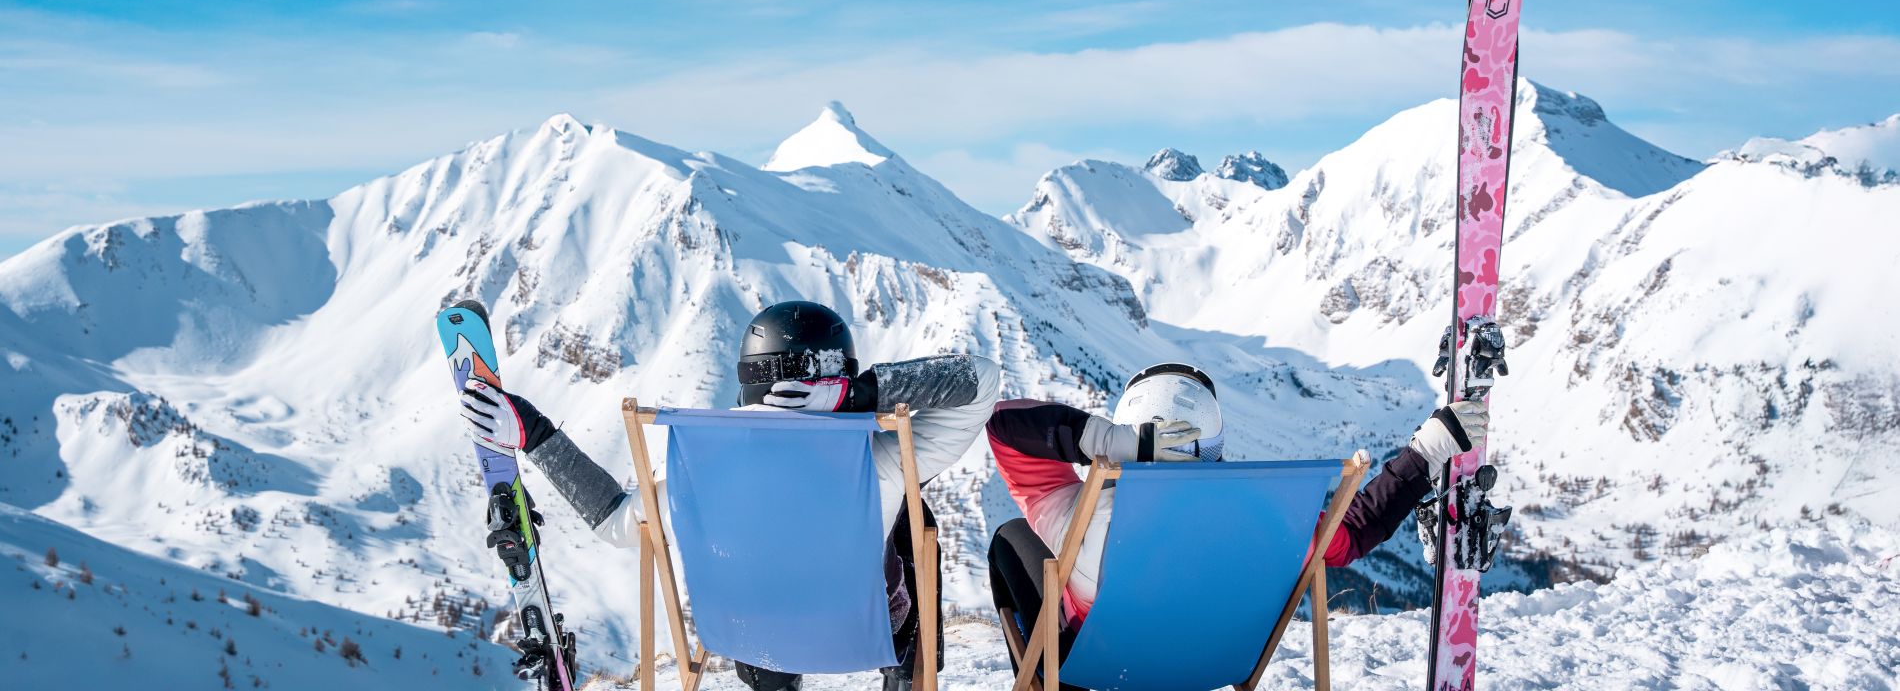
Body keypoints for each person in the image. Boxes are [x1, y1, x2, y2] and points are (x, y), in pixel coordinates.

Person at [458, 301, 1000, 691]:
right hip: (868, 631)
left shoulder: (706, 474)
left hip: (753, 639)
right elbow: (982, 378)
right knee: (913, 517)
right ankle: (907, 677)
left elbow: (616, 522)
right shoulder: (882, 464)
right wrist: (860, 394)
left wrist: (536, 433)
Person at [983, 362, 1487, 665]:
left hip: (1094, 664)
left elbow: (1001, 422)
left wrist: (1112, 445)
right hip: (1210, 663)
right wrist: (1425, 453)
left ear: (1129, 427)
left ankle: (1041, 681)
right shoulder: (1266, 515)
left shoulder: (1075, 512)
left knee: (1010, 536)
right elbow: (1355, 530)